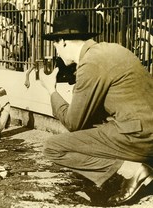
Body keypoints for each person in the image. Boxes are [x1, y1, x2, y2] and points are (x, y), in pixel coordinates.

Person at [40, 12, 153, 206]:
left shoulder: (90, 62)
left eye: (55, 44)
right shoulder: (111, 50)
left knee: (53, 147)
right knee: (90, 128)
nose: (56, 51)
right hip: (144, 129)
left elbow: (74, 123)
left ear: (63, 42)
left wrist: (51, 90)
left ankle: (132, 171)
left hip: (139, 136)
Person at [0, 2, 29, 71]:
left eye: (2, 19)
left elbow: (20, 51)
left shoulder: (17, 31)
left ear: (9, 19)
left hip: (10, 68)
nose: (0, 21)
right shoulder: (2, 30)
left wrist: (7, 45)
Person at [126, 0, 153, 72]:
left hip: (149, 65)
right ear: (132, 9)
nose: (140, 9)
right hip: (135, 66)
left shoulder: (150, 23)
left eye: (142, 6)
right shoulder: (130, 27)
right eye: (136, 6)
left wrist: (148, 36)